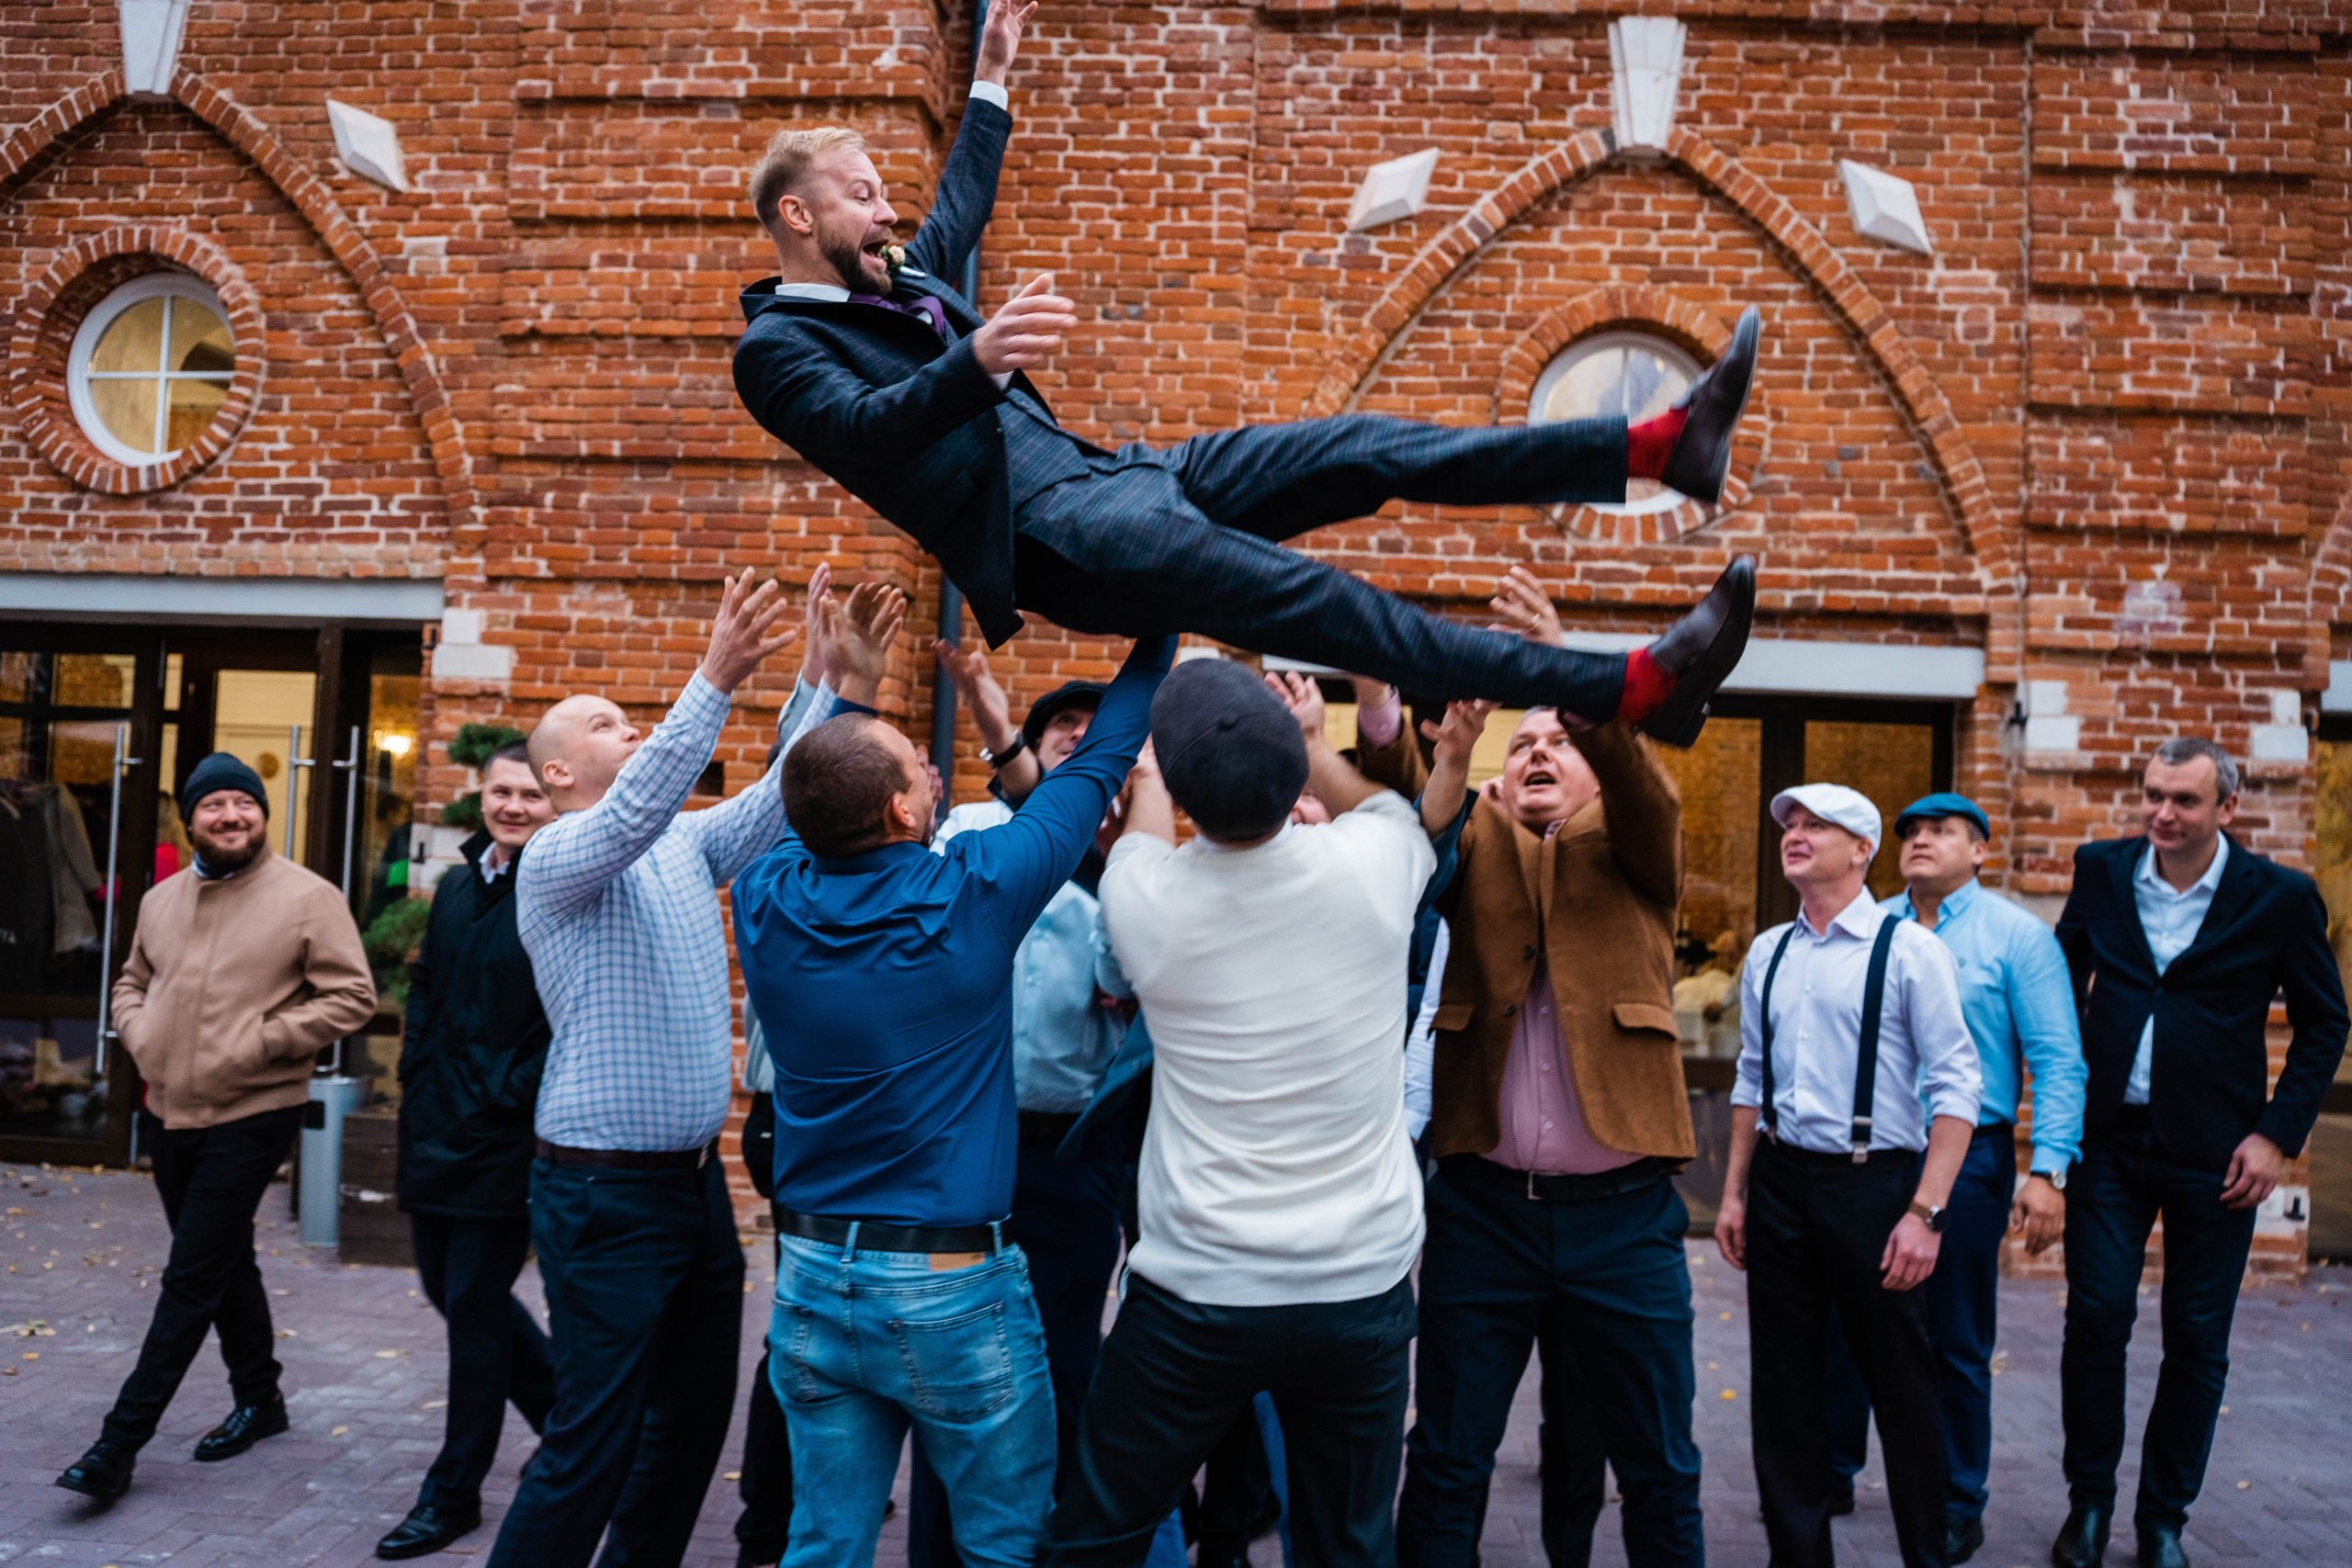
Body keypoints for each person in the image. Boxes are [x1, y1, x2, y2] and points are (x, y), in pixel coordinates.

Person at [731, 0, 1758, 746]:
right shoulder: (774, 351)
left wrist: (993, 71)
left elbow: (958, 209)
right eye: (861, 196)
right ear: (796, 215)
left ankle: (1658, 448)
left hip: (1120, 477)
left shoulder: (898, 274)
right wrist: (979, 359)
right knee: (1331, 604)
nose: (885, 214)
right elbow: (866, 430)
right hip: (1062, 539)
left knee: (1360, 449)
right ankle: (1630, 687)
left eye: (880, 195)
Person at [732, 630, 1176, 1568]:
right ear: (901, 806)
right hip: (949, 1290)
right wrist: (1161, 624)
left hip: (811, 1278)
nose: (937, 774)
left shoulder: (764, 898)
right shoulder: (971, 894)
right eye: (920, 769)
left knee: (822, 1543)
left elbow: (800, 790)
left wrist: (849, 695)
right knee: (1006, 1546)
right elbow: (1100, 761)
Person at [482, 568, 896, 1568]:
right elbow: (637, 808)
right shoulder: (561, 854)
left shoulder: (678, 842)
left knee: (689, 1429)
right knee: (593, 1441)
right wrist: (713, 677)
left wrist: (828, 679)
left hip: (690, 1190)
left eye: (632, 720)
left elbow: (776, 804)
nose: (628, 731)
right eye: (607, 723)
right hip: (600, 1197)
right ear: (558, 779)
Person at [1039, 658, 1442, 1568]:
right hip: (1356, 1290)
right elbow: (1382, 805)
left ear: (1181, 788)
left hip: (1194, 1297)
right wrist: (1310, 745)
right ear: (1294, 776)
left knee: (1092, 1534)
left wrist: (1141, 771)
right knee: (1347, 1548)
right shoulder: (1378, 864)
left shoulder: (1145, 902)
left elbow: (1139, 836)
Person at [1363, 674, 1707, 1566]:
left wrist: (1589, 696)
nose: (1539, 753)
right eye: (1520, 746)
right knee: (1443, 1459)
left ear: (1598, 769)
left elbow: (1643, 791)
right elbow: (1409, 813)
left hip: (1623, 1220)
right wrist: (1379, 709)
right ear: (1495, 781)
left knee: (1658, 1466)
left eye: (1562, 743)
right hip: (1484, 1214)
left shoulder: (1638, 846)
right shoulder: (1473, 836)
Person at [2049, 739, 2349, 1568]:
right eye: (2152, 795)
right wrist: (2060, 1105)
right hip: (2108, 1141)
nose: (2162, 814)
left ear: (2227, 809)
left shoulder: (2281, 898)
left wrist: (2276, 1133)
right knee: (2098, 1315)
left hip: (2219, 1152)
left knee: (2197, 1335)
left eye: (2183, 800)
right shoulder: (2102, 870)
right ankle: (2089, 1504)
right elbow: (2061, 982)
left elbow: (2327, 1021)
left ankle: (2163, 1518)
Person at [56, 753, 376, 1501]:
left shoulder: (307, 897)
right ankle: (261, 1398)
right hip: (169, 1106)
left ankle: (118, 1442)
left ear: (262, 814)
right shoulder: (161, 899)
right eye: (215, 806)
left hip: (256, 1109)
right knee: (225, 1260)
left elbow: (353, 996)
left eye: (245, 803)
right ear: (189, 818)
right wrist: (139, 1031)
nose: (232, 816)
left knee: (191, 1277)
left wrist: (263, 1040)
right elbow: (131, 980)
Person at [904, 647, 1133, 1568]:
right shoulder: (965, 831)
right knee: (952, 1376)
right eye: (1061, 731)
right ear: (1026, 749)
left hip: (1071, 1155)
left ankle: (1058, 1549)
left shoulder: (1123, 863)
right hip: (964, 1153)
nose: (1079, 743)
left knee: (1066, 1367)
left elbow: (1127, 980)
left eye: (1094, 735)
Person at [1714, 784, 1982, 1568]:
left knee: (1903, 1387)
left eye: (1814, 826)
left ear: (1861, 850)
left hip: (1878, 1185)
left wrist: (1925, 1212)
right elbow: (1749, 1079)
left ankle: (1926, 1556)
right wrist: (1734, 1191)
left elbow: (1958, 1086)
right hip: (1782, 1181)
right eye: (1789, 825)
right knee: (1785, 1390)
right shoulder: (1770, 950)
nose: (1794, 835)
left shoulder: (1910, 950)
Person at [1815, 793, 2086, 1565]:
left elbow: (2059, 1059)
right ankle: (1835, 1469)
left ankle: (1957, 1497)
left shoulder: (2018, 940)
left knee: (1955, 1334)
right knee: (1845, 1317)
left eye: (1942, 831)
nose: (1921, 841)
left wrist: (2049, 1170)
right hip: (1866, 1152)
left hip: (1969, 1156)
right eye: (1911, 833)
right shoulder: (1870, 925)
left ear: (1980, 852)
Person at [378, 741, 561, 1559]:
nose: (514, 805)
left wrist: (503, 1089)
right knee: (449, 1292)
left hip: (501, 1137)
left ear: (551, 802)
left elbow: (566, 1012)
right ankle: (578, 1427)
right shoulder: (457, 883)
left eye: (529, 793)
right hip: (434, 1126)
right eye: (501, 791)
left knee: (476, 1313)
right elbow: (425, 983)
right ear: (480, 796)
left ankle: (453, 1492)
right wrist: (416, 1066)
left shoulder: (558, 887)